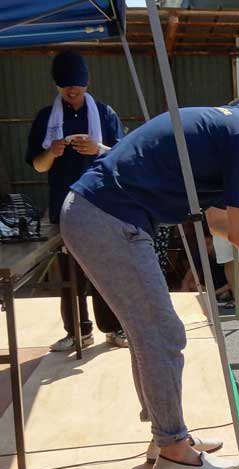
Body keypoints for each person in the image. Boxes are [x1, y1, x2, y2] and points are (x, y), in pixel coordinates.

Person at [63, 69, 239, 469]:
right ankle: (172, 446)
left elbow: (221, 223)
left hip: (96, 213)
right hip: (108, 217)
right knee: (162, 333)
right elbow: (237, 230)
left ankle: (166, 437)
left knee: (150, 332)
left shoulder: (229, 123)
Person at [25, 50, 128, 351]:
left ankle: (113, 327)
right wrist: (51, 152)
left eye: (78, 85)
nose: (72, 91)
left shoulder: (105, 113)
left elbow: (120, 156)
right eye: (66, 85)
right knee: (69, 273)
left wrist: (97, 148)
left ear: (87, 82)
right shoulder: (47, 117)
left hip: (99, 202)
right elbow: (38, 164)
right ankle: (76, 332)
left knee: (104, 268)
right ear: (56, 85)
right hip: (62, 203)